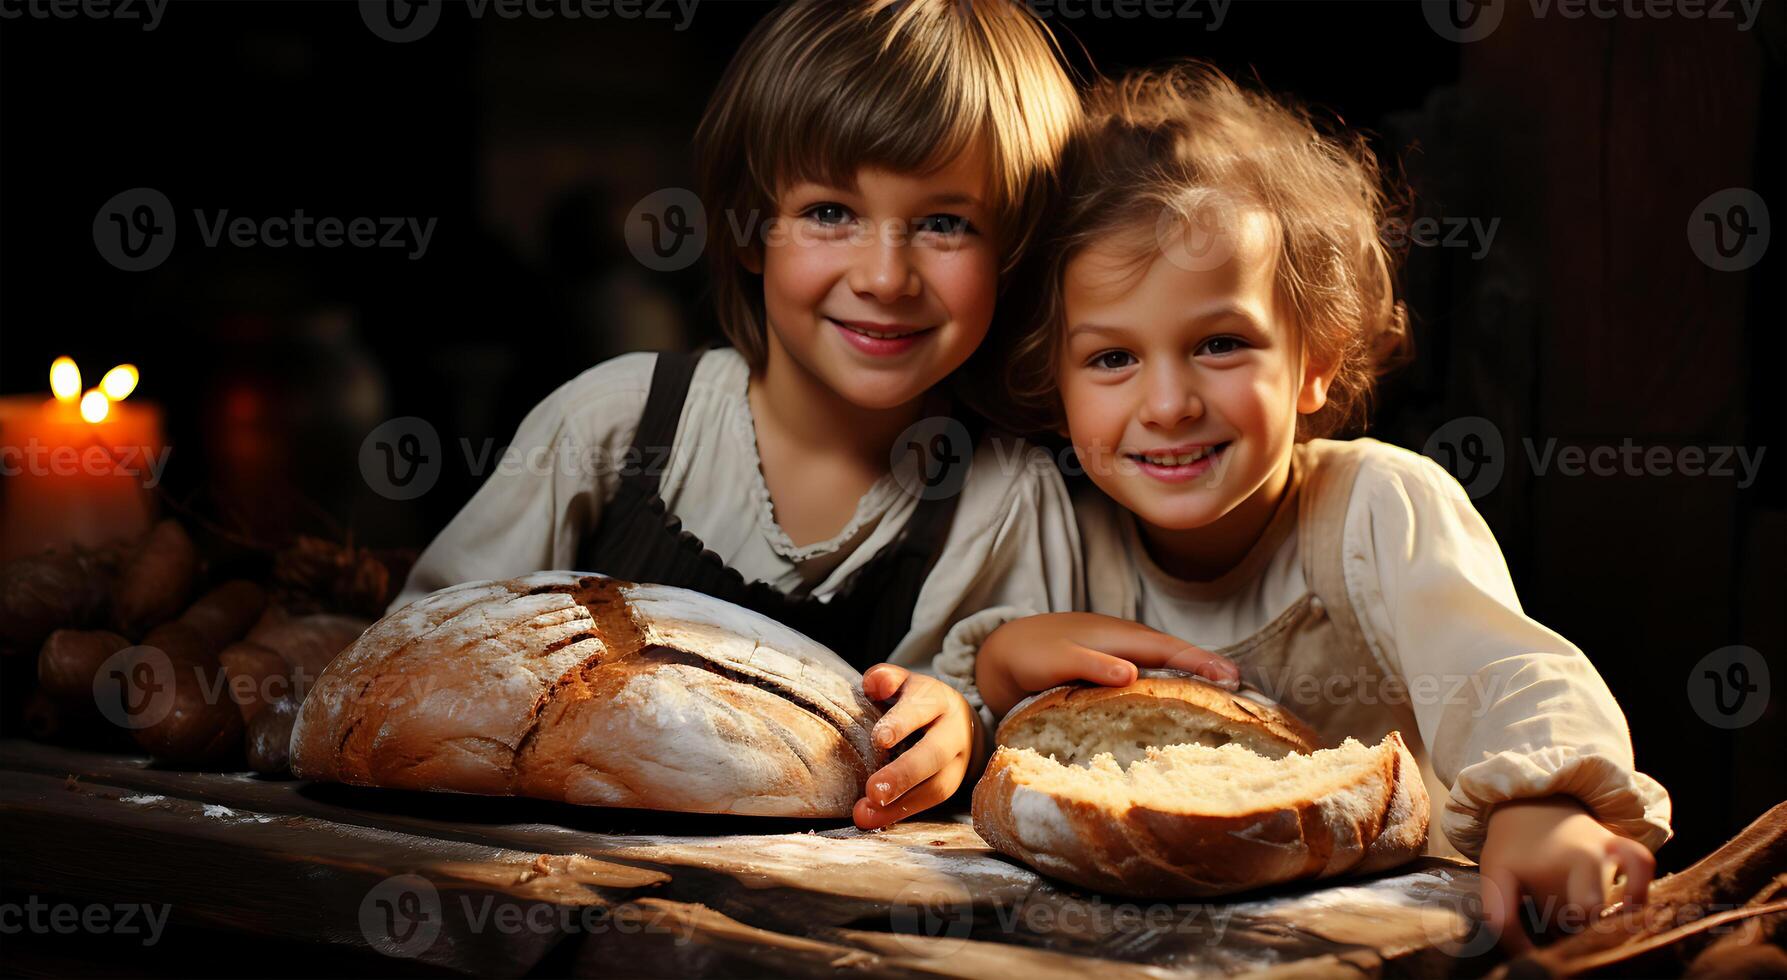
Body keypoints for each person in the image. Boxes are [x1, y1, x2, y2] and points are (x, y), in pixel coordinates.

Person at [392, 0, 1192, 831]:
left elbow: (1022, 726)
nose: (885, 276)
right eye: (829, 213)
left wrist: (960, 729)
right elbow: (421, 657)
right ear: (750, 228)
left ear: (1014, 253)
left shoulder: (1003, 499)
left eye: (946, 223)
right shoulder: (619, 420)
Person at [950, 62, 1672, 948]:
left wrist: (1544, 806)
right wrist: (996, 664)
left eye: (1220, 343)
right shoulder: (1055, 526)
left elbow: (1506, 676)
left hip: (1385, 944)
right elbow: (963, 747)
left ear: (1315, 357)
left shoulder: (1378, 507)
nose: (1168, 403)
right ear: (1052, 381)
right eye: (1110, 359)